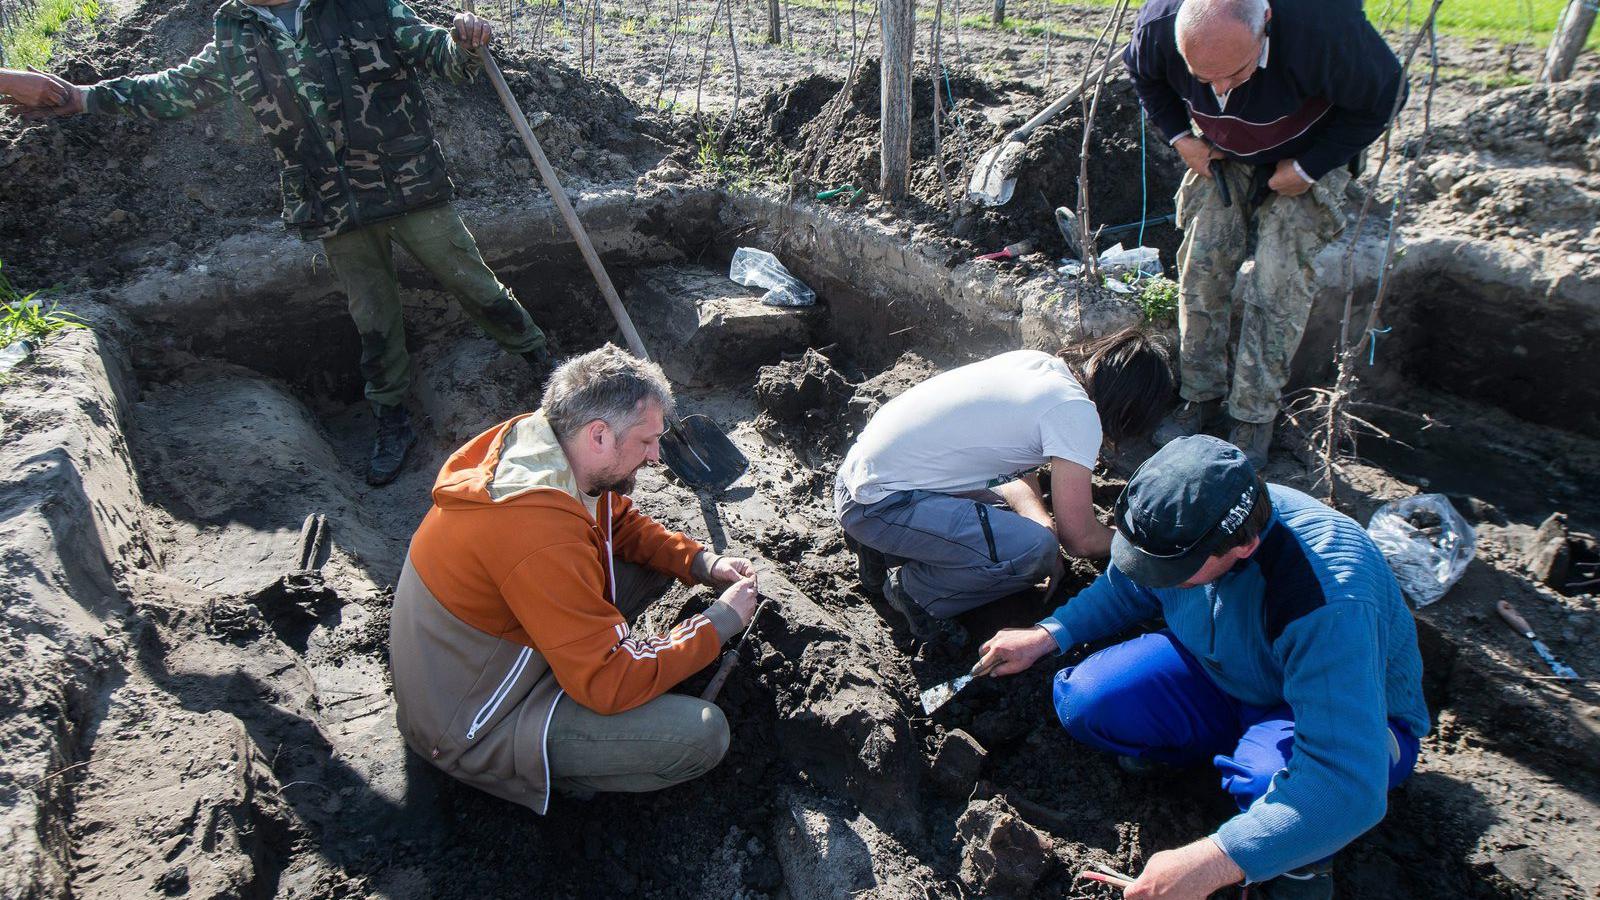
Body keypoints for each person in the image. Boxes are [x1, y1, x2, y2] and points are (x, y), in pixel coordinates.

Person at [2, 0, 553, 486]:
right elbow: (175, 90)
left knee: (474, 283)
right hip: (334, 202)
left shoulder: (363, 6)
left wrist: (464, 38)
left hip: (409, 185)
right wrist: (83, 98)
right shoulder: (237, 33)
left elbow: (438, 54)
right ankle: (391, 419)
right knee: (373, 318)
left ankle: (543, 366)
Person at [978, 435, 1428, 900]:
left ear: (1245, 546)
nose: (1154, 575)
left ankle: (1298, 870)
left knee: (1272, 782)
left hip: (1331, 718)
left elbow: (1347, 780)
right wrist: (1050, 633)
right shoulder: (1183, 522)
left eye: (1172, 570)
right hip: (1221, 670)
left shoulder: (1328, 596)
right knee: (1087, 700)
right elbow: (1129, 586)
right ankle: (1229, 766)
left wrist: (1213, 862)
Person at [389, 344, 760, 811]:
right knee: (702, 735)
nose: (656, 459)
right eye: (646, 443)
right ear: (599, 434)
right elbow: (610, 682)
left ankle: (579, 664)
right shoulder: (536, 531)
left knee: (657, 565)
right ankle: (563, 770)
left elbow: (617, 521)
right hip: (473, 720)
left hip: (497, 654)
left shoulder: (551, 446)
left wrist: (701, 562)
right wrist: (719, 622)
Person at [1126, 0, 1403, 465]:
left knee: (1277, 279)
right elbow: (1144, 75)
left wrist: (1309, 168)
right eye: (1203, 77)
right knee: (1202, 267)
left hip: (1308, 154)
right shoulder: (1158, 24)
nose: (1218, 90)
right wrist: (1180, 136)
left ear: (1266, 26)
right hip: (1221, 151)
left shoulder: (1326, 29)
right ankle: (1199, 395)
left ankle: (1254, 418)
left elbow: (1386, 97)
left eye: (1234, 73)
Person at [834, 328, 1174, 645]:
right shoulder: (1077, 415)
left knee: (1014, 525)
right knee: (1033, 551)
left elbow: (1010, 471)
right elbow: (1081, 540)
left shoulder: (1038, 366)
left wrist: (1043, 522)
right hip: (877, 506)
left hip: (859, 479)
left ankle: (879, 552)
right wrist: (1137, 546)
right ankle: (916, 593)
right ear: (1131, 409)